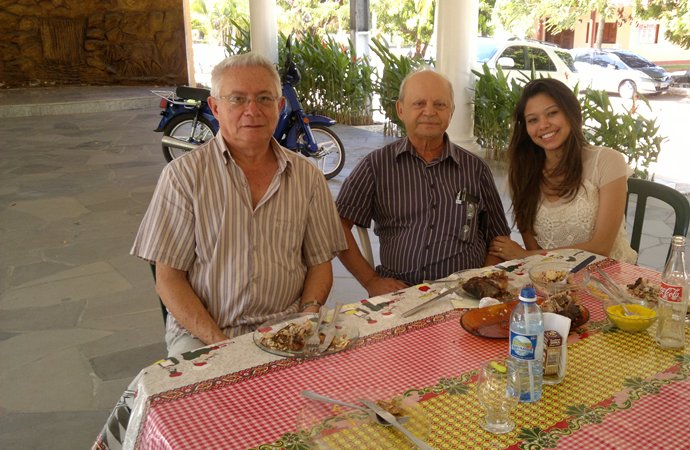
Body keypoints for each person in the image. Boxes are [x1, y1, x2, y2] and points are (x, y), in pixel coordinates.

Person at [132, 52, 347, 357]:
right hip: (204, 333)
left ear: (280, 106)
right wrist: (222, 345)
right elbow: (168, 280)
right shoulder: (183, 176)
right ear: (215, 107)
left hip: (286, 327)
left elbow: (320, 263)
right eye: (237, 99)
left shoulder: (307, 176)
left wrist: (307, 317)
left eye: (264, 98)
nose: (252, 110)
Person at [336, 69, 511, 297]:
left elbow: (498, 237)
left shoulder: (475, 169)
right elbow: (337, 226)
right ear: (400, 109)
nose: (429, 112)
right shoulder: (375, 166)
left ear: (451, 111)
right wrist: (370, 281)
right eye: (419, 103)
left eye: (440, 104)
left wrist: (481, 281)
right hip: (400, 293)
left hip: (464, 294)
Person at [488, 78, 637, 263]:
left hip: (608, 274)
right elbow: (533, 247)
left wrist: (525, 256)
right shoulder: (522, 173)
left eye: (552, 113)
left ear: (570, 112)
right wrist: (530, 257)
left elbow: (601, 248)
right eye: (533, 120)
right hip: (549, 274)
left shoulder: (607, 161)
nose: (543, 125)